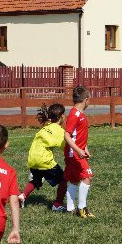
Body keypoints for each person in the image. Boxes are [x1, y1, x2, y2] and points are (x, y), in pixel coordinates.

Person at [18, 103, 68, 212]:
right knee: (64, 179)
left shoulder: (46, 126)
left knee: (36, 180)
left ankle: (22, 195)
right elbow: (66, 148)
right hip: (44, 160)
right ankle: (57, 204)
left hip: (32, 159)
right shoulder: (59, 131)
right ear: (62, 116)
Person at [64, 86, 95, 218]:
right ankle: (82, 208)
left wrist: (85, 148)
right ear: (86, 100)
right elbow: (67, 135)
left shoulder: (79, 114)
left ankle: (70, 208)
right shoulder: (75, 114)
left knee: (74, 180)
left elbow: (78, 135)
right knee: (88, 177)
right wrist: (78, 150)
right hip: (74, 153)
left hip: (76, 152)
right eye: (90, 100)